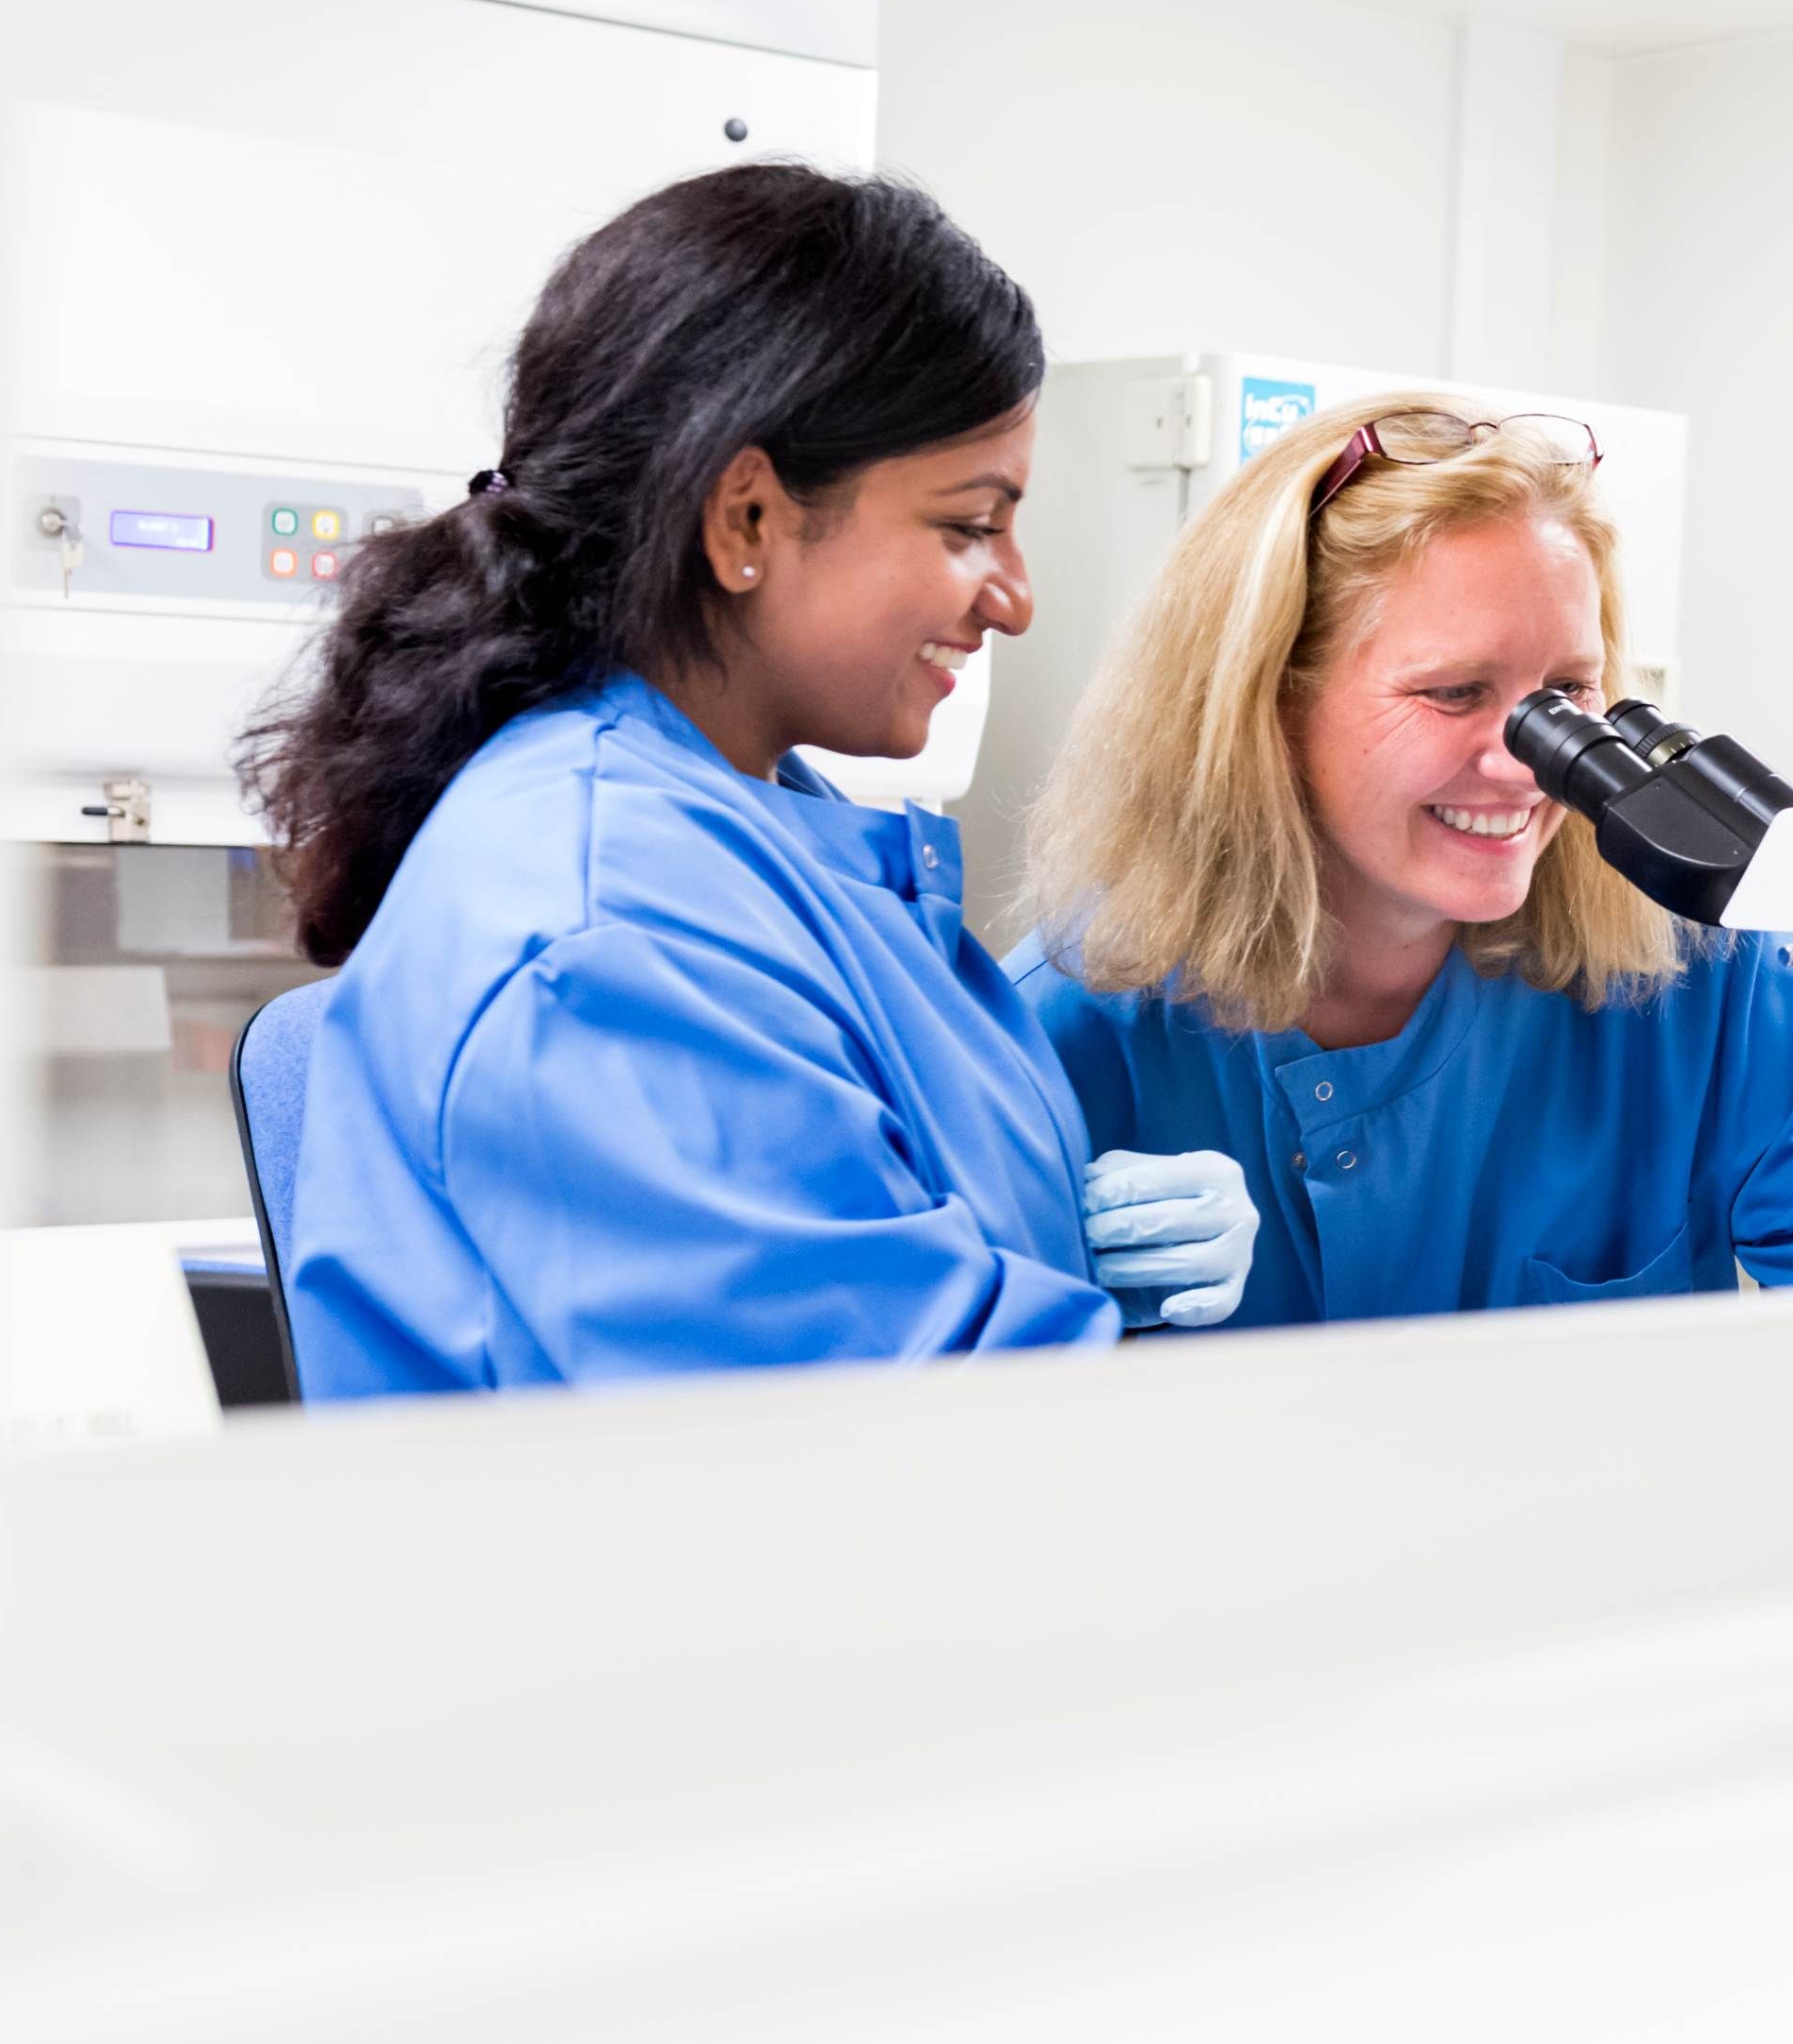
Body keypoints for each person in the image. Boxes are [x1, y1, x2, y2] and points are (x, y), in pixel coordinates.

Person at [248, 164, 1255, 1396]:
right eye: (967, 524)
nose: (1017, 597)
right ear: (745, 521)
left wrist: (1071, 1255)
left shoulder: (761, 819)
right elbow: (880, 1470)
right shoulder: (608, 930)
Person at [1006, 396, 1793, 1328]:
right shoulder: (1064, 1028)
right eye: (1453, 690)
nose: (1525, 763)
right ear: (1269, 702)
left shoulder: (1698, 980)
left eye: (1565, 693)